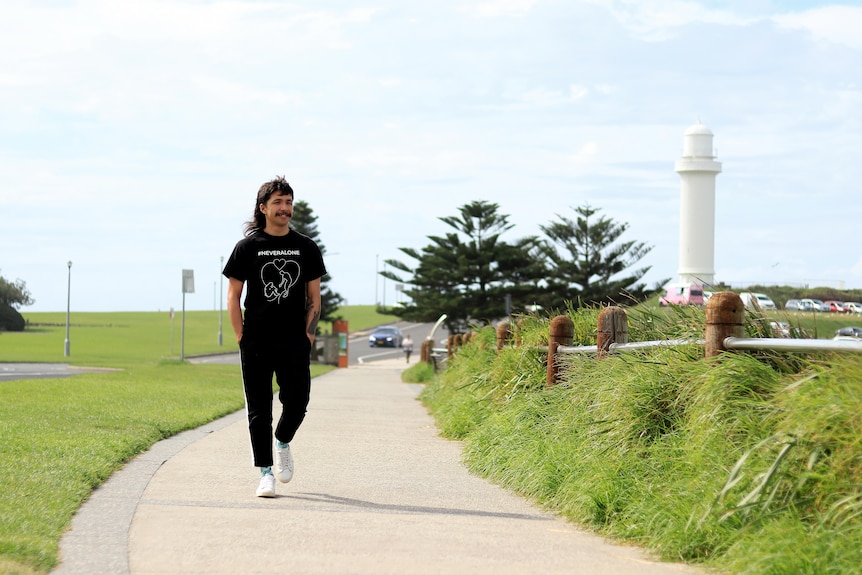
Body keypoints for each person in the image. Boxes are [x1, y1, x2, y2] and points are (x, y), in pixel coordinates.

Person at [223, 176, 326, 498]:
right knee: (259, 408)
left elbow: (314, 298)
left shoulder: (306, 247)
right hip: (255, 340)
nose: (285, 208)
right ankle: (265, 472)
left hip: (294, 340)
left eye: (289, 202)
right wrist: (241, 335)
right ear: (263, 208)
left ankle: (282, 441)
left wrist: (308, 335)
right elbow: (233, 296)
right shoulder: (247, 248)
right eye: (278, 202)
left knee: (298, 403)